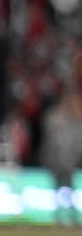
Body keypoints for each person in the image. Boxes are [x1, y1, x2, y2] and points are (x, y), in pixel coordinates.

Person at [41, 90, 80, 227]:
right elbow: (50, 142)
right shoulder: (53, 117)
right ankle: (59, 215)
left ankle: (71, 214)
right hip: (56, 160)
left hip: (68, 160)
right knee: (57, 187)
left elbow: (76, 142)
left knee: (70, 187)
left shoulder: (73, 120)